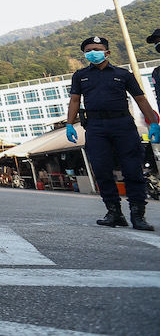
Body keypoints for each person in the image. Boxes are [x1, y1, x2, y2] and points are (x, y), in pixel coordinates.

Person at [66, 35, 160, 231]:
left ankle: (138, 215)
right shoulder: (80, 75)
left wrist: (153, 123)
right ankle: (114, 212)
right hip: (95, 127)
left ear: (107, 52)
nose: (92, 53)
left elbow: (140, 99)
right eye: (88, 50)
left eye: (96, 49)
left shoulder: (122, 74)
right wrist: (69, 124)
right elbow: (75, 101)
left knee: (132, 169)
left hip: (122, 125)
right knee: (101, 169)